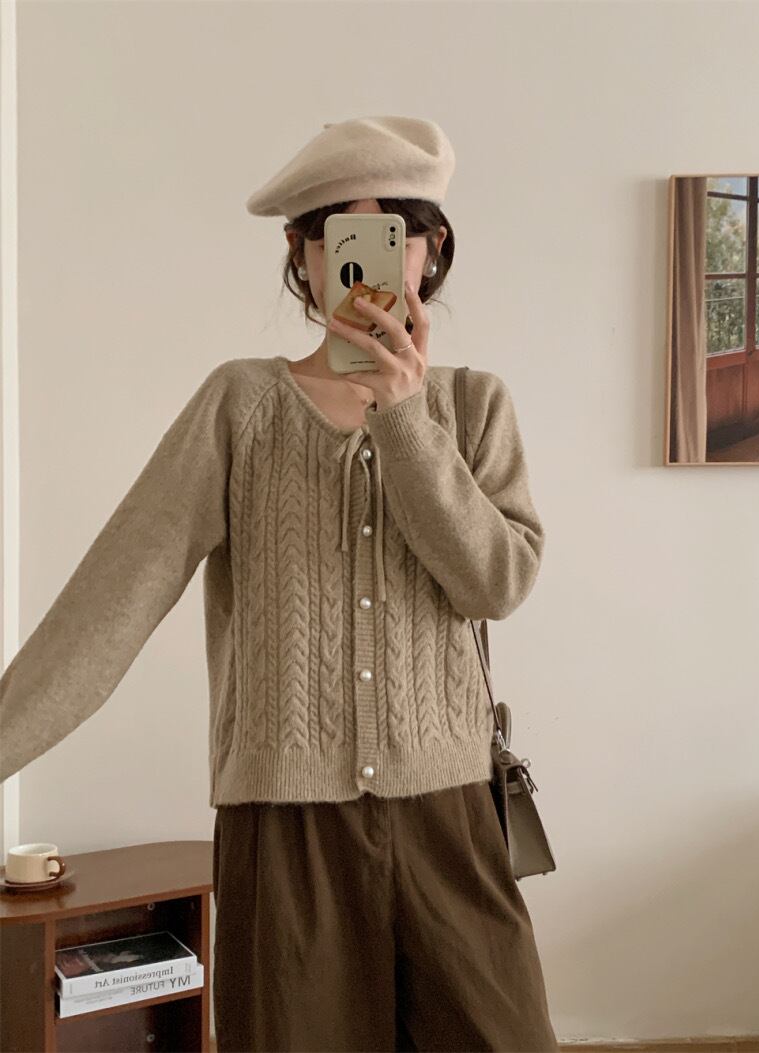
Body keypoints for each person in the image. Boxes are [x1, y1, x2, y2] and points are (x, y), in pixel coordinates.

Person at [0, 115, 559, 1051]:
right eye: (337, 232)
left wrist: (406, 416)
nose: (369, 258)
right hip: (284, 836)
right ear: (301, 254)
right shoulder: (240, 405)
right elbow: (111, 602)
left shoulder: (473, 406)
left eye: (393, 230)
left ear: (431, 248)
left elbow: (495, 582)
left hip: (451, 819)